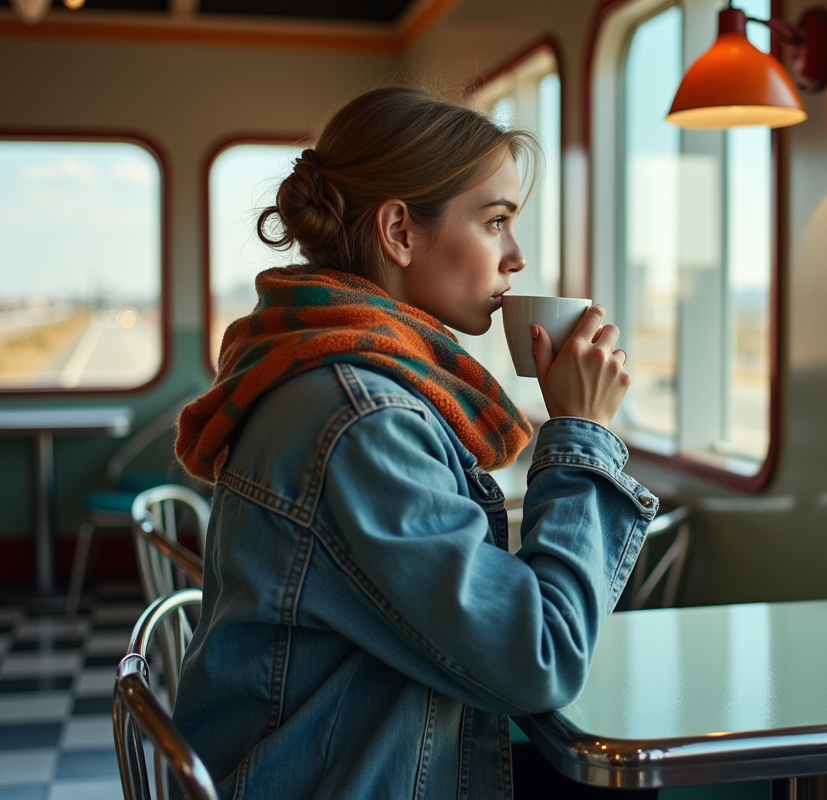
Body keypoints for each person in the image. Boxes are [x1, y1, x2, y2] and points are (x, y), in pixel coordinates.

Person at [170, 86, 658, 800]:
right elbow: (538, 659)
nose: (516, 257)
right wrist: (581, 432)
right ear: (399, 232)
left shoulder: (316, 368)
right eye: (496, 222)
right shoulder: (365, 422)